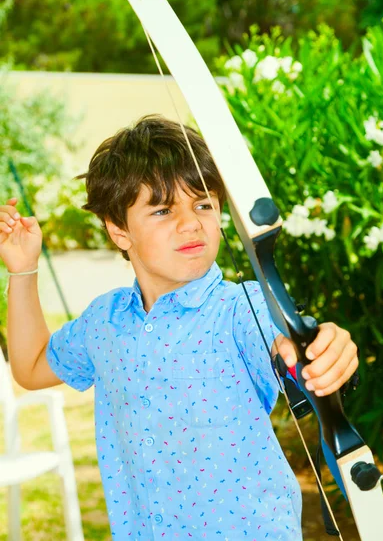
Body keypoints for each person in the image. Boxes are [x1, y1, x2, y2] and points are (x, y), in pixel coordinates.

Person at [1, 115, 358, 540]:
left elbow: (291, 349)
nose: (191, 223)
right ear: (118, 231)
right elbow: (31, 367)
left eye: (203, 204)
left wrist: (325, 353)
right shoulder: (106, 321)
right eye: (163, 209)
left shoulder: (239, 310)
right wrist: (22, 272)